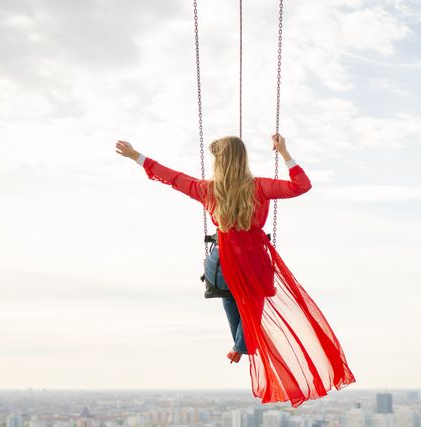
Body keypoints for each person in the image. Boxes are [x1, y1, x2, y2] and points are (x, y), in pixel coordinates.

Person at [115, 134, 355, 407]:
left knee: (229, 296)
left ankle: (241, 345)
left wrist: (137, 156)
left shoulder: (207, 189)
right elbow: (301, 185)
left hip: (220, 264)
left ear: (219, 162)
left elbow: (172, 177)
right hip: (253, 262)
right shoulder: (260, 187)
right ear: (243, 159)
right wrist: (285, 153)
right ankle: (241, 345)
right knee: (252, 304)